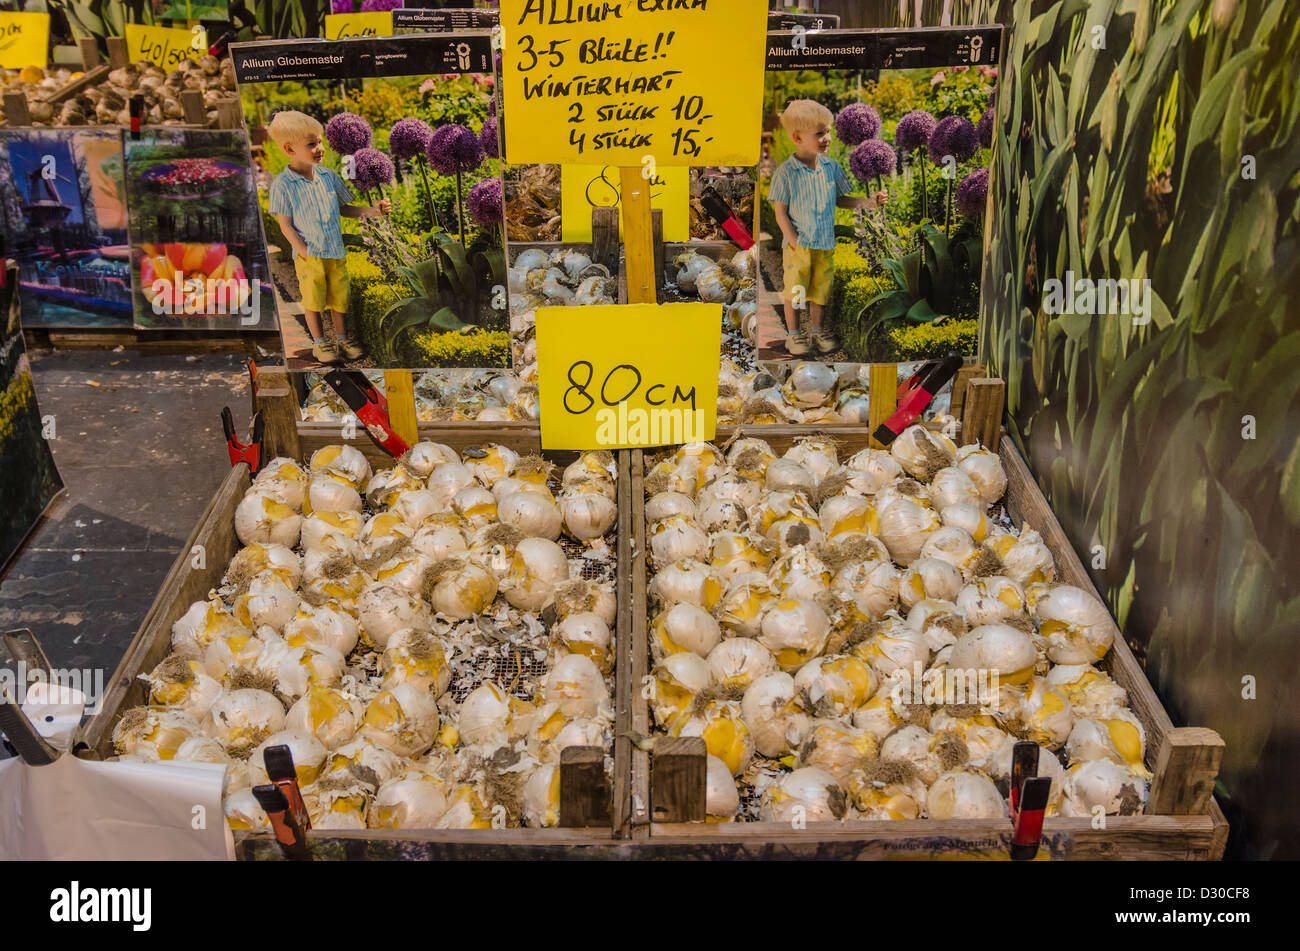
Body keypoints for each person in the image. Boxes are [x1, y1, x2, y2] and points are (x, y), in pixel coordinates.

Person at [266, 110, 390, 366]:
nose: (320, 148)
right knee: (313, 299)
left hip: (335, 251)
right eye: (312, 144)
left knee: (339, 297)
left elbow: (345, 209)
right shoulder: (283, 185)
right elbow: (286, 226)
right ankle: (320, 343)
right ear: (289, 148)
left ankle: (342, 339)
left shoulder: (328, 177)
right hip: (309, 255)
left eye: (320, 141)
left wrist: (373, 211)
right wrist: (303, 251)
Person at [768, 99, 872, 357]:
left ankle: (816, 331)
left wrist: (869, 203)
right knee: (795, 290)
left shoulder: (831, 168)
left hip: (825, 244)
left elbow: (841, 200)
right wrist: (793, 240)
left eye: (828, 131)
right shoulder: (786, 173)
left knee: (820, 291)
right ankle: (793, 335)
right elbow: (780, 212)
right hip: (799, 247)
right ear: (797, 137)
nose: (827, 138)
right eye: (819, 133)